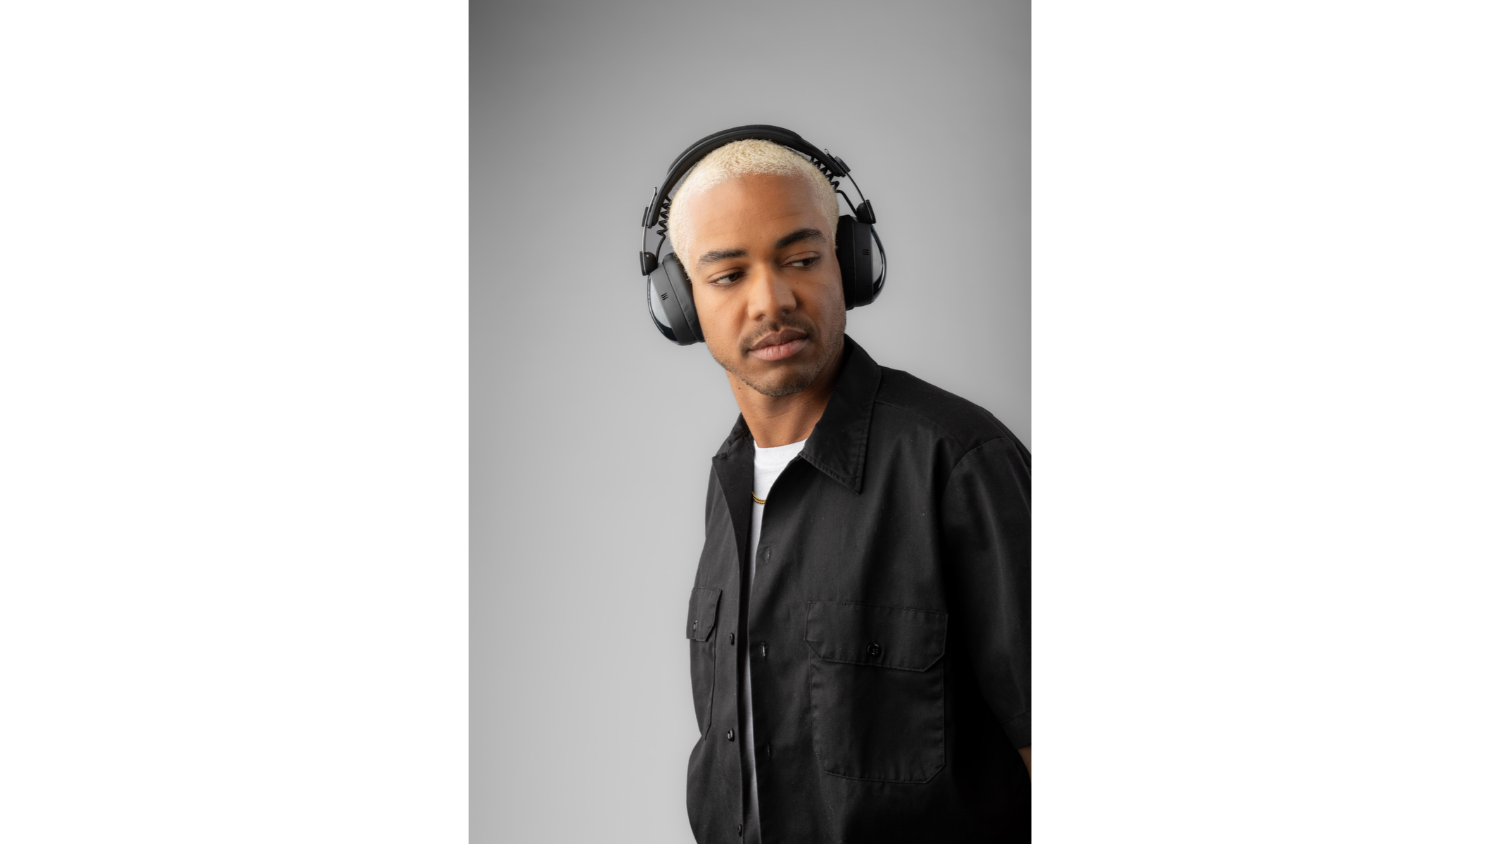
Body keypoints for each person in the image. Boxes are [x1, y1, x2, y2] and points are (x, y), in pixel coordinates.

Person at [642, 128, 1030, 843]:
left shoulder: (960, 463)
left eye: (801, 260)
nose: (770, 301)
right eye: (728, 276)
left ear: (850, 265)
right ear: (682, 302)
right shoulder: (729, 483)